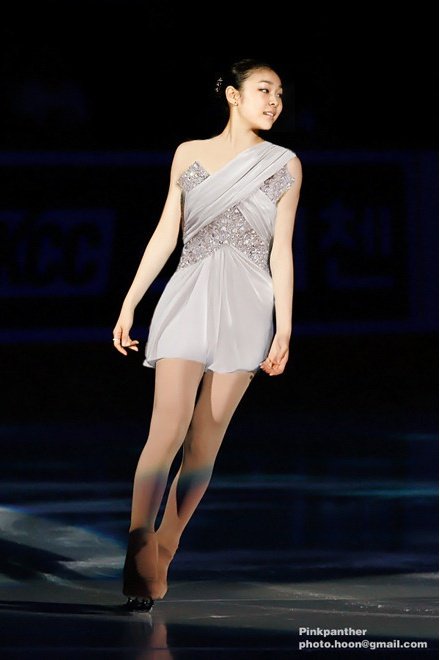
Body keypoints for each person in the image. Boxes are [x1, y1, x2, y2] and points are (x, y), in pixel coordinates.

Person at [112, 58, 302, 612]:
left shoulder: (285, 164)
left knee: (203, 441)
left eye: (280, 93)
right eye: (264, 89)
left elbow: (281, 250)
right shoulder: (188, 153)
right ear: (233, 95)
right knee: (166, 429)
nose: (274, 101)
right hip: (189, 296)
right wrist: (130, 301)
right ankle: (139, 538)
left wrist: (285, 326)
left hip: (248, 308)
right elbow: (166, 231)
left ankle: (165, 547)